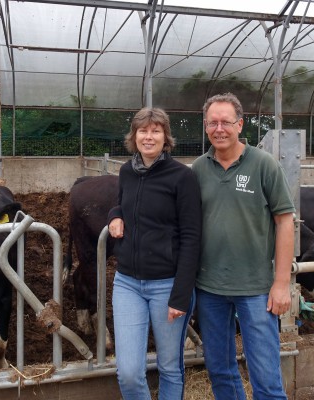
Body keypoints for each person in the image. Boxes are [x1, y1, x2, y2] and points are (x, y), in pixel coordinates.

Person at [192, 92, 295, 400]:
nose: (219, 128)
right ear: (206, 126)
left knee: (265, 374)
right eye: (212, 122)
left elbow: (285, 221)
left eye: (226, 122)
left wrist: (281, 283)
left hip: (257, 289)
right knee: (220, 370)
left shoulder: (263, 164)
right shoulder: (197, 169)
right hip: (209, 287)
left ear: (240, 125)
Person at [107, 107, 202, 400]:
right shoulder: (126, 171)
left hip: (167, 285)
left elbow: (191, 236)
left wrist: (181, 293)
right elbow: (123, 203)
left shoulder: (182, 177)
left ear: (166, 137)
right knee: (129, 372)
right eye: (143, 131)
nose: (149, 137)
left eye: (155, 130)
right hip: (127, 283)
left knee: (170, 366)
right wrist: (114, 214)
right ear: (134, 136)